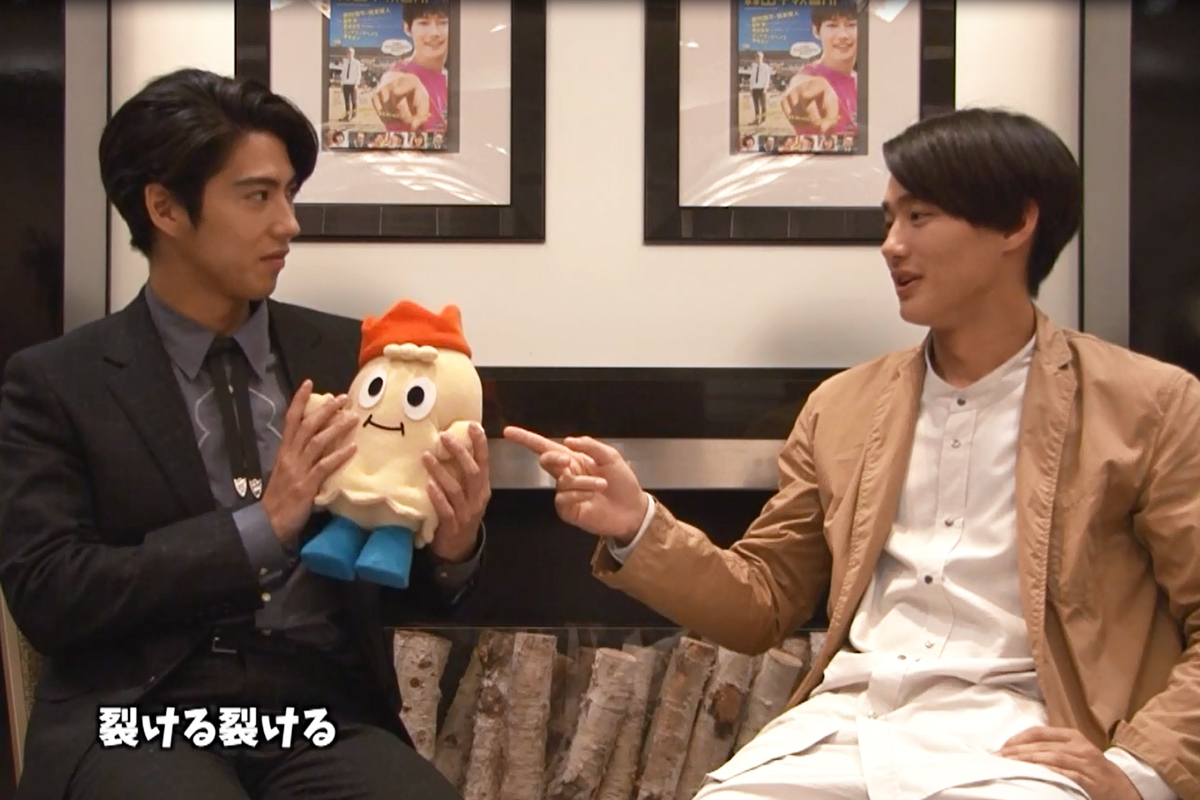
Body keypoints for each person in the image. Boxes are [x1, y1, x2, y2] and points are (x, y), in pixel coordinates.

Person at [505, 107, 1200, 800]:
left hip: (1021, 746)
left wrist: (1139, 772)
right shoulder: (843, 407)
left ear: (1017, 224)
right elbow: (762, 602)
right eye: (888, 220)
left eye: (919, 216)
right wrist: (638, 525)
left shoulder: (1149, 405)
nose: (891, 245)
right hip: (846, 732)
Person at [0, 67, 491, 800]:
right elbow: (51, 593)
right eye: (258, 196)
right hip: (140, 715)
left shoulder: (356, 360)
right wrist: (261, 527)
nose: (288, 223)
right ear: (165, 208)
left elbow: (396, 582)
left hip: (317, 714)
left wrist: (452, 546)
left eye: (289, 194)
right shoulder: (58, 381)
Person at [371, 0, 450, 134]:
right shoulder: (402, 71)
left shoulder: (453, 75)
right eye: (423, 23)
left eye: (443, 22)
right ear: (407, 28)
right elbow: (393, 82)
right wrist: (397, 88)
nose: (434, 33)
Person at [782, 4, 859, 137]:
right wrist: (804, 92)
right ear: (816, 31)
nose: (843, 35)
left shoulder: (862, 78)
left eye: (851, 25)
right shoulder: (811, 75)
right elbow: (802, 85)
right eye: (832, 25)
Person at [746, 51, 772, 126]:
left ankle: (763, 120)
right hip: (755, 88)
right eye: (756, 57)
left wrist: (765, 87)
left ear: (762, 58)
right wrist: (751, 88)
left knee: (763, 105)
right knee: (756, 105)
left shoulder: (765, 67)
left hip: (762, 88)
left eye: (759, 57)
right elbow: (752, 78)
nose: (758, 58)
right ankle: (757, 119)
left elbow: (767, 78)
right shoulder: (753, 66)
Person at [337, 46, 363, 121]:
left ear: (353, 53)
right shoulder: (345, 63)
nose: (349, 54)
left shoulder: (357, 63)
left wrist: (356, 84)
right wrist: (342, 84)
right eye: (348, 53)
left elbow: (358, 74)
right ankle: (347, 115)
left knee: (353, 100)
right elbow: (343, 74)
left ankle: (354, 115)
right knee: (346, 100)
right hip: (346, 83)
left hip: (353, 84)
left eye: (351, 52)